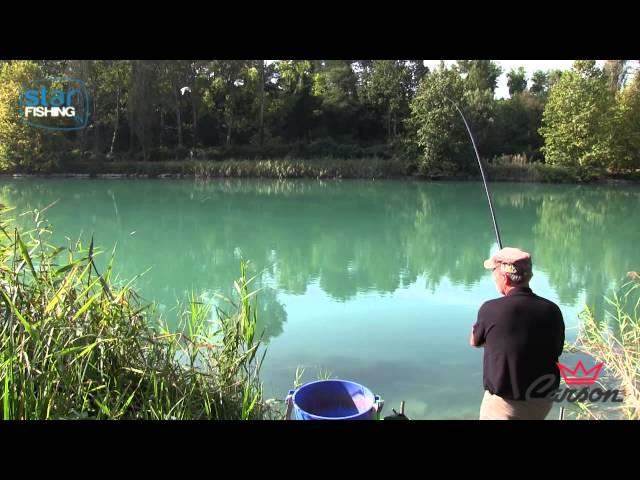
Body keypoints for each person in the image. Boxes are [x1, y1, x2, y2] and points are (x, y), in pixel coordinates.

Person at [470, 247, 565, 420]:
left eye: (494, 272)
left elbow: (475, 341)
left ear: (505, 277)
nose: (493, 277)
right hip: (542, 401)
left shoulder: (490, 308)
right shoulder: (552, 310)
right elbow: (556, 349)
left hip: (506, 403)